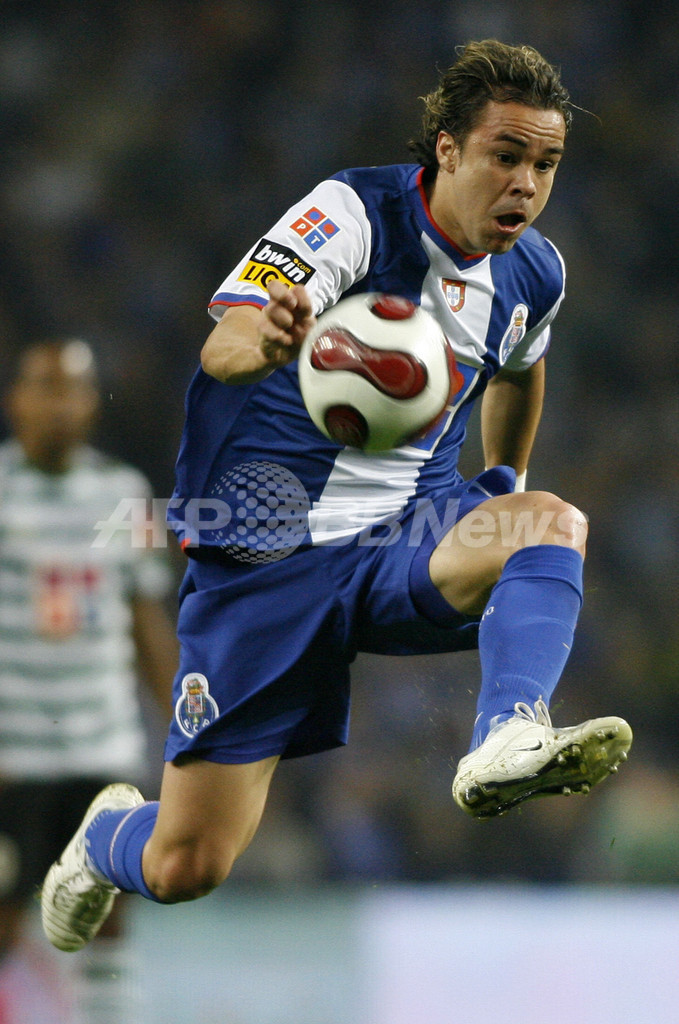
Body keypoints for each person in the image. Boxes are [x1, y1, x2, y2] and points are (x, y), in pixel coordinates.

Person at [42, 39, 632, 953]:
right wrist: (270, 342)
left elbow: (520, 365)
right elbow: (224, 345)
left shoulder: (533, 273)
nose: (525, 184)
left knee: (548, 523)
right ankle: (102, 839)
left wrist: (503, 483)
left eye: (545, 164)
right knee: (188, 864)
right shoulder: (352, 214)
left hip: (406, 536)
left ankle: (506, 734)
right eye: (505, 155)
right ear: (447, 150)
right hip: (266, 562)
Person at [0, 338, 178, 1021]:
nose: (59, 405)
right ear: (16, 402)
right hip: (15, 756)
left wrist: (188, 731)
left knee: (107, 920)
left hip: (103, 749)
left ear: (89, 405)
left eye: (72, 389)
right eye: (44, 387)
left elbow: (147, 623)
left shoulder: (122, 494)